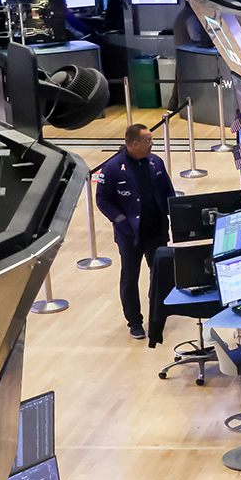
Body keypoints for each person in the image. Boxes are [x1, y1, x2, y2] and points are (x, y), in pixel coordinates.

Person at [96, 123, 176, 341]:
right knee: (130, 278)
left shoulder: (155, 162)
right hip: (129, 235)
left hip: (157, 230)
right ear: (134, 144)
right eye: (148, 140)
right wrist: (121, 220)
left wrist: (177, 218)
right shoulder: (112, 168)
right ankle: (134, 322)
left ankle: (157, 315)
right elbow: (102, 200)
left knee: (160, 275)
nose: (152, 144)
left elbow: (168, 192)